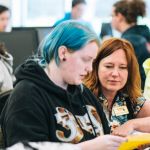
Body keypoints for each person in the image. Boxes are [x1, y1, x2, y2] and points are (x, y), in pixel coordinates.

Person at [0, 21, 126, 149]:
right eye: (86, 59)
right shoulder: (26, 96)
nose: (90, 69)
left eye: (92, 62)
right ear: (63, 53)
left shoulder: (83, 92)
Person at [84, 37, 150, 137]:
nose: (115, 73)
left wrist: (132, 124)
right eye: (109, 66)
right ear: (95, 67)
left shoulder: (131, 99)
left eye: (123, 67)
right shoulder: (82, 97)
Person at [111, 0, 150, 89]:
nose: (111, 19)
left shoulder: (127, 43)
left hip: (137, 95)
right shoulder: (145, 37)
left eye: (112, 16)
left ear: (119, 17)